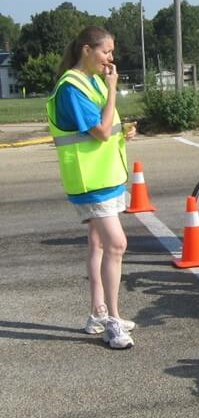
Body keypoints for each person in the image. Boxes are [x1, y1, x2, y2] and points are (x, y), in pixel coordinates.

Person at [46, 26, 136, 350]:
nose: (111, 59)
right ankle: (113, 320)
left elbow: (106, 127)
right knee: (117, 244)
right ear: (87, 50)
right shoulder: (72, 86)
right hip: (90, 180)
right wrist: (113, 89)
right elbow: (98, 131)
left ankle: (99, 312)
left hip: (105, 176)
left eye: (111, 52)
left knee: (98, 243)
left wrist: (123, 132)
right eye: (106, 52)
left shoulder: (92, 80)